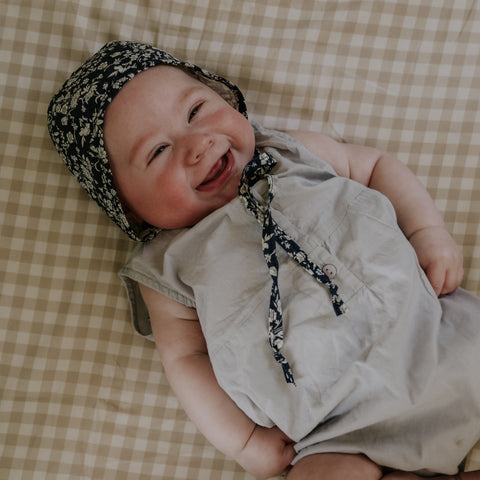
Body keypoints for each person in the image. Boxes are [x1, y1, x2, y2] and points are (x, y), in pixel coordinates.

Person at [47, 41, 480, 480]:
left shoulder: (290, 153)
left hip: (440, 336)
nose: (197, 145)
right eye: (158, 151)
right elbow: (186, 361)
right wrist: (244, 440)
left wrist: (427, 232)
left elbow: (376, 166)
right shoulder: (166, 266)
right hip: (338, 429)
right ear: (128, 207)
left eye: (196, 111)